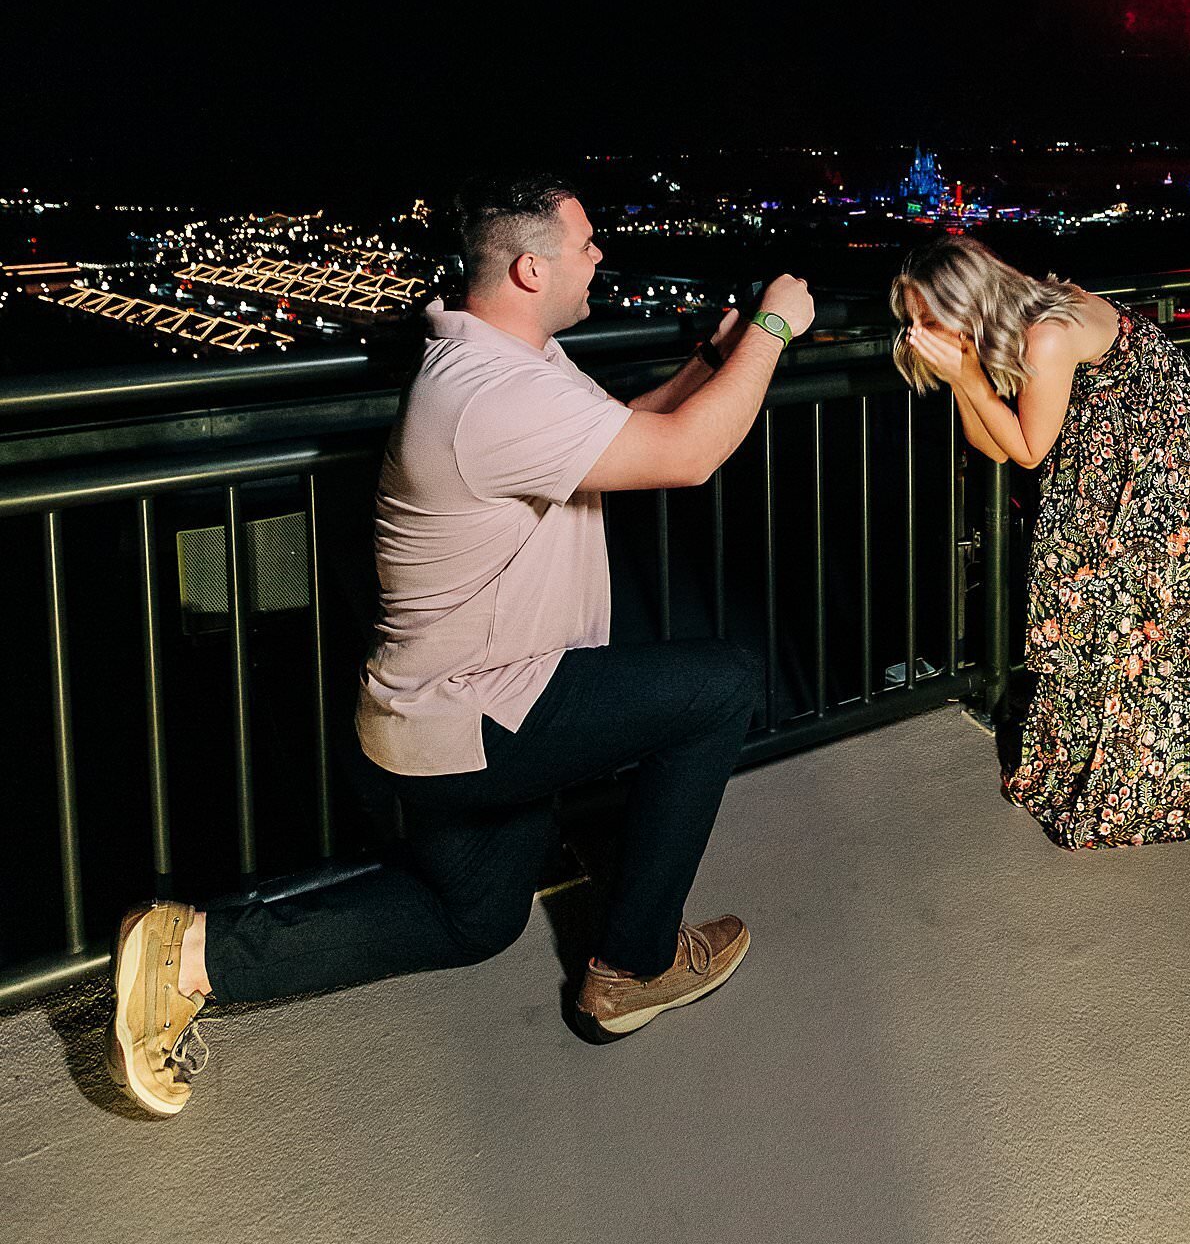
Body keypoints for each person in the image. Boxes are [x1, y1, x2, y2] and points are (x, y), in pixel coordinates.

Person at [110, 173, 815, 1116]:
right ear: (531, 267)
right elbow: (686, 455)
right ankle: (633, 966)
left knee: (471, 918)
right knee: (723, 683)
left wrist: (706, 360)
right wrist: (771, 331)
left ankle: (190, 953)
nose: (601, 256)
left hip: (433, 719)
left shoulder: (503, 361)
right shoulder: (491, 395)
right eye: (586, 244)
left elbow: (627, 430)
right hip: (481, 712)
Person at [890, 236, 1190, 850]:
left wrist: (967, 373)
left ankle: (1142, 800)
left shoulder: (1046, 333)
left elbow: (1025, 450)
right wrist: (967, 379)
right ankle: (1076, 775)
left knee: (1132, 638)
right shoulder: (1025, 314)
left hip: (1154, 485)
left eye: (927, 316)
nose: (919, 332)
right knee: (1083, 627)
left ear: (966, 300)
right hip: (1110, 470)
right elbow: (992, 444)